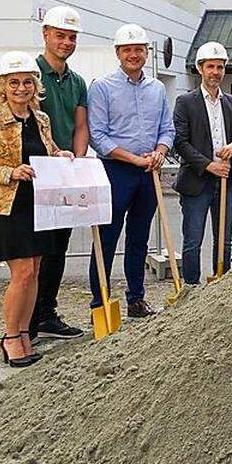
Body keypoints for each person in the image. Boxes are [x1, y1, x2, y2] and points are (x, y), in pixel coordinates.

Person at [0, 51, 74, 366]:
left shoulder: (41, 119)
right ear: (3, 86)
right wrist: (9, 172)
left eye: (27, 82)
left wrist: (61, 155)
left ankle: (26, 332)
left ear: (35, 85)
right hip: (7, 206)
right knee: (22, 271)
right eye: (14, 82)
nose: (21, 88)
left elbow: (48, 150)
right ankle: (11, 336)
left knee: (36, 269)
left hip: (38, 203)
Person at [86, 24, 173, 319]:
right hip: (115, 171)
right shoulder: (102, 87)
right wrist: (133, 160)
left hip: (149, 172)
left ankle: (136, 299)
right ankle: (100, 303)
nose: (134, 55)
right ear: (118, 53)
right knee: (106, 238)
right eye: (128, 50)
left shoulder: (158, 88)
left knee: (139, 238)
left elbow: (166, 128)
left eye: (139, 49)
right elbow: (98, 136)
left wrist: (160, 151)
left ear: (147, 52)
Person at [30, 6, 89, 340]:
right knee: (35, 250)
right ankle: (28, 318)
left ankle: (47, 313)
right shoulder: (32, 75)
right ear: (46, 35)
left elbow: (81, 126)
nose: (66, 42)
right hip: (38, 172)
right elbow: (37, 123)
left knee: (58, 246)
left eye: (71, 37)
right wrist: (55, 153)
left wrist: (78, 159)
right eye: (60, 36)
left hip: (65, 171)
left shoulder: (77, 81)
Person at [172, 41, 232, 283]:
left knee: (224, 239)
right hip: (196, 182)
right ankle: (191, 288)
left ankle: (222, 285)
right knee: (193, 239)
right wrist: (208, 165)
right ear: (200, 69)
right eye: (211, 66)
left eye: (220, 67)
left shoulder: (231, 103)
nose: (215, 72)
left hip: (226, 181)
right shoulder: (186, 102)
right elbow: (180, 142)